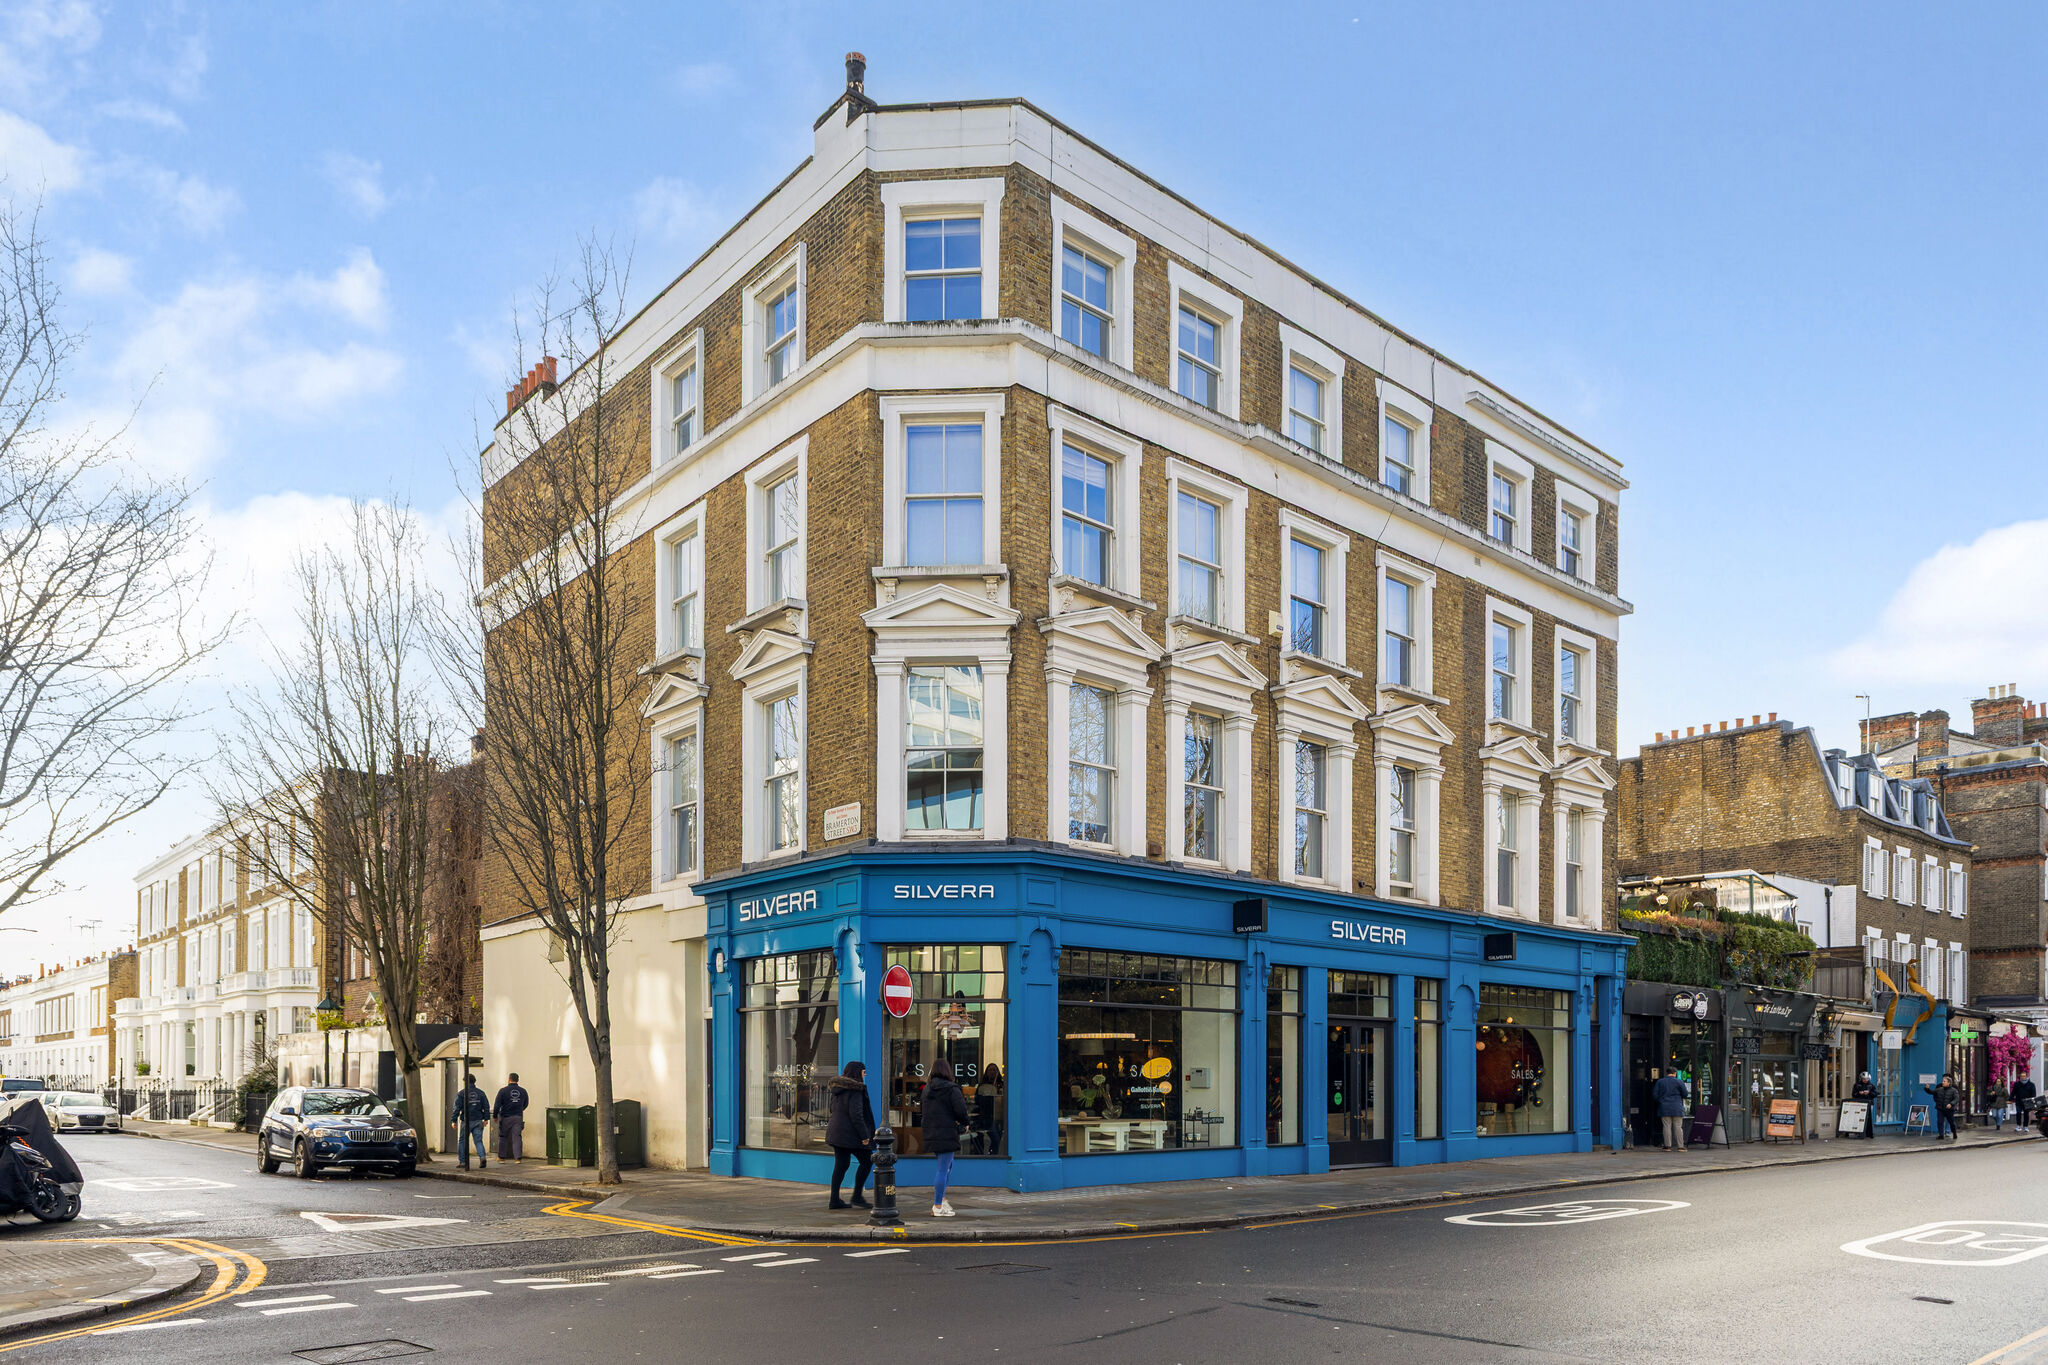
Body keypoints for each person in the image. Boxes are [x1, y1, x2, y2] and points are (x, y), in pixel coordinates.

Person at [920, 1057, 969, 1218]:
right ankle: (937, 1205)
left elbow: (923, 1111)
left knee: (947, 1166)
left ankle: (941, 1199)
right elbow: (961, 1110)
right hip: (946, 1132)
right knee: (943, 1169)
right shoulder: (951, 1089)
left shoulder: (927, 1089)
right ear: (947, 1071)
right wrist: (965, 1123)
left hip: (931, 1132)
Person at [824, 1061, 875, 1210]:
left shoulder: (837, 1089)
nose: (865, 1074)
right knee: (867, 1161)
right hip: (850, 1133)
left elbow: (832, 1109)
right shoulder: (856, 1089)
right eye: (863, 1072)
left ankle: (834, 1200)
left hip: (836, 1132)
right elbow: (856, 1115)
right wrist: (865, 1136)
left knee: (841, 1165)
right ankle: (857, 1196)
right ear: (857, 1072)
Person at [455, 1073, 491, 1170]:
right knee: (478, 1141)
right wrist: (486, 1118)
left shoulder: (461, 1093)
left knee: (462, 1141)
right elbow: (486, 1107)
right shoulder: (481, 1093)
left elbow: (457, 1108)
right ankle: (482, 1157)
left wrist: (453, 1120)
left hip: (466, 1120)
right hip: (478, 1120)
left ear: (465, 1082)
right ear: (474, 1081)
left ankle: (462, 1162)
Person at [492, 1072, 529, 1162]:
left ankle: (501, 1157)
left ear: (509, 1079)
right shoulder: (523, 1091)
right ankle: (518, 1158)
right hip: (518, 1117)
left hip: (506, 1117)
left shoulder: (503, 1091)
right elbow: (526, 1103)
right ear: (518, 1080)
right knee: (517, 1137)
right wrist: (520, 1110)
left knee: (503, 1136)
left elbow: (497, 1104)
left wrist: (495, 1115)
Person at [1649, 1067, 1688, 1152]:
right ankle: (1680, 1146)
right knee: (1678, 1127)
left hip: (1664, 1107)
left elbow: (1655, 1094)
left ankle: (1667, 1146)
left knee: (1666, 1126)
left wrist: (1661, 1101)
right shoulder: (1679, 1082)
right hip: (1677, 1107)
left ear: (1667, 1073)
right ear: (1675, 1073)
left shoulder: (1660, 1082)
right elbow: (1685, 1094)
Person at [1924, 1073, 1961, 1141]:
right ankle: (1941, 1135)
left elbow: (1956, 1099)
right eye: (1942, 1081)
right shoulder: (1939, 1089)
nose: (1942, 1082)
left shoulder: (1954, 1090)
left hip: (1949, 1109)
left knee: (1951, 1122)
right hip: (1940, 1108)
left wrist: (1951, 1104)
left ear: (1949, 1083)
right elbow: (1931, 1092)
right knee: (1940, 1122)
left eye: (1944, 1081)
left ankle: (1954, 1133)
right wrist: (1927, 1088)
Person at [1849, 1071, 1879, 1140]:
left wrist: (1869, 1093)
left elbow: (1875, 1094)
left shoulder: (1871, 1085)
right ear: (1861, 1078)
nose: (1865, 1080)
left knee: (1868, 1118)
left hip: (1869, 1103)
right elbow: (1853, 1094)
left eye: (1867, 1079)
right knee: (1859, 1118)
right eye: (1864, 1079)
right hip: (1860, 1104)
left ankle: (1868, 1133)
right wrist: (1859, 1093)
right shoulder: (1857, 1085)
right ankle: (1859, 1132)